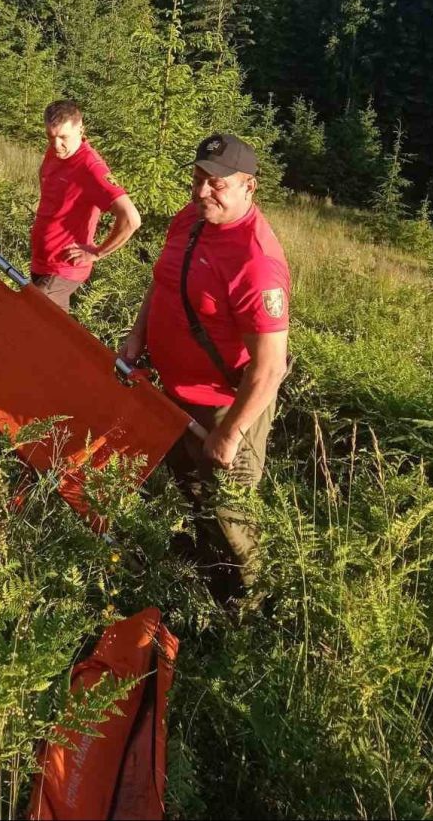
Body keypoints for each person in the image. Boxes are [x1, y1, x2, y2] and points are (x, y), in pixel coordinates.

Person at [119, 133, 290, 602]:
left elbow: (270, 368)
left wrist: (230, 434)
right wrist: (137, 338)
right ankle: (203, 577)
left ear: (249, 187)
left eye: (218, 184)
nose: (202, 192)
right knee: (194, 495)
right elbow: (163, 283)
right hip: (174, 397)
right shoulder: (189, 222)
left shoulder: (256, 262)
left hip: (223, 409)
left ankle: (245, 609)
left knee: (230, 517)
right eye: (198, 178)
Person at [30, 100, 141, 312]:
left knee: (34, 323)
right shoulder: (55, 151)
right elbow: (46, 176)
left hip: (63, 268)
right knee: (49, 330)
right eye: (50, 137)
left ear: (81, 130)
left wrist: (97, 253)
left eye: (63, 137)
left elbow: (131, 219)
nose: (56, 145)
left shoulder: (91, 168)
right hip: (42, 259)